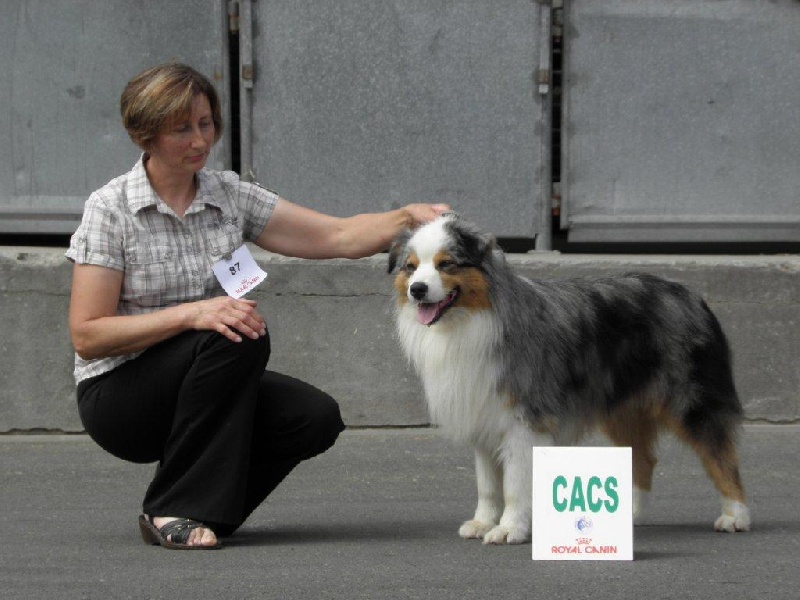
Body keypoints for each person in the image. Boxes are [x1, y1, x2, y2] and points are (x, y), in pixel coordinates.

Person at [66, 62, 449, 549]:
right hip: (121, 396)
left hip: (205, 379)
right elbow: (88, 334)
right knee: (234, 329)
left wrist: (406, 217)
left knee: (313, 417)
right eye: (182, 128)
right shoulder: (111, 208)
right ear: (146, 135)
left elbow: (336, 234)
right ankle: (174, 507)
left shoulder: (228, 195)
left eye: (206, 124)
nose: (200, 140)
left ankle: (202, 512)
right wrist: (194, 313)